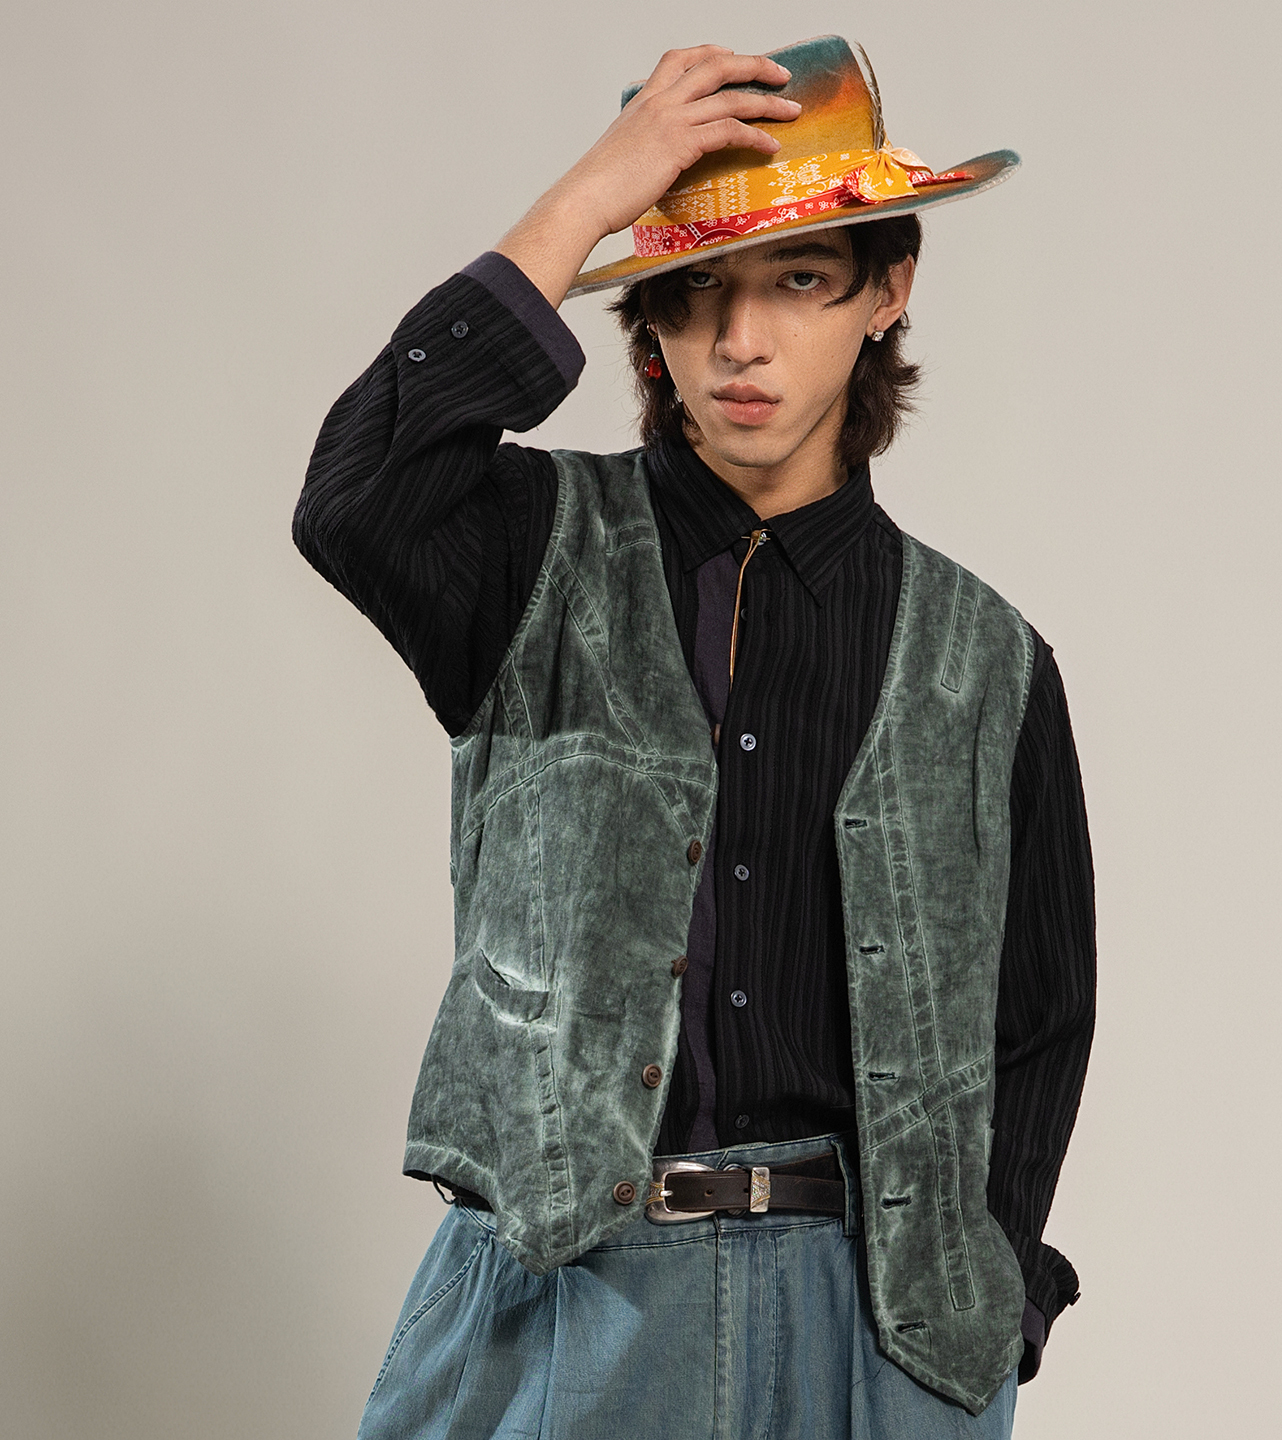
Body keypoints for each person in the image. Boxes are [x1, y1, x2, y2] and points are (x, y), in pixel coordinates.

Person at [294, 35, 1095, 1440]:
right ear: (647, 315)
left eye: (800, 278)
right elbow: (353, 498)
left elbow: (1038, 1018)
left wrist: (994, 1308)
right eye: (697, 287)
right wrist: (593, 195)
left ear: (889, 288)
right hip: (567, 1298)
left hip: (875, 1331)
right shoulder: (524, 555)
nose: (741, 342)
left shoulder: (989, 660)